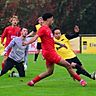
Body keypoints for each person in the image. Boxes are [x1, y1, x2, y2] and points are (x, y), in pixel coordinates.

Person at [23, 13, 87, 87]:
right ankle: (81, 81)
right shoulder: (43, 29)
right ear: (48, 19)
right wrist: (27, 43)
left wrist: (60, 44)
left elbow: (50, 40)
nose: (52, 21)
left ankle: (32, 82)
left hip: (48, 53)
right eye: (52, 19)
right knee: (68, 65)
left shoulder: (48, 29)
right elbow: (35, 37)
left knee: (49, 72)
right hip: (50, 53)